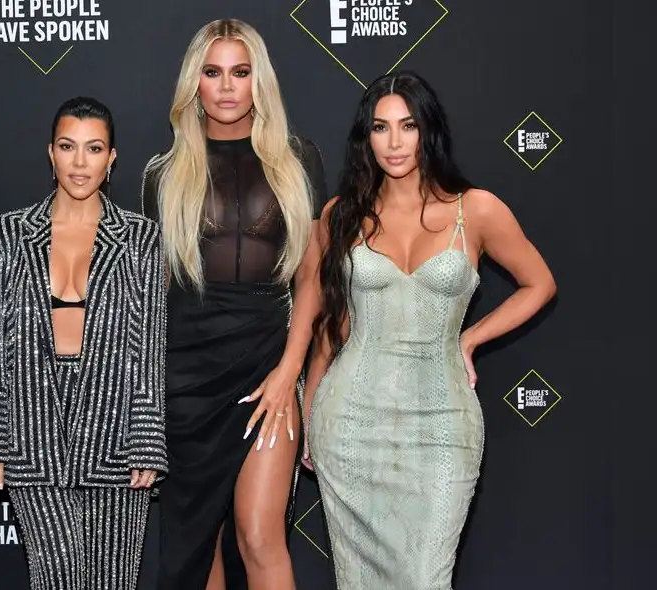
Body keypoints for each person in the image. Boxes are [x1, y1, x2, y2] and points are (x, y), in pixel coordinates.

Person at [304, 70, 557, 589]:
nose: (394, 142)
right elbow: (330, 325)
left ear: (429, 131)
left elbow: (540, 283)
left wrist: (470, 336)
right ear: (365, 137)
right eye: (380, 127)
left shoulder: (476, 209)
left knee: (425, 578)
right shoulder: (340, 216)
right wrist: (310, 412)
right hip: (350, 422)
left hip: (442, 426)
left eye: (408, 126)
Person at [141, 18, 327, 590]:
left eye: (240, 72)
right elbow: (151, 296)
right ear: (194, 83)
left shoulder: (299, 161)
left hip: (267, 365)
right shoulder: (163, 174)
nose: (226, 86)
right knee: (197, 544)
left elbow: (312, 280)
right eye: (213, 72)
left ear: (259, 81)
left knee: (259, 534)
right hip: (187, 379)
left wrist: (288, 373)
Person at [0, 96, 167, 590]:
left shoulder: (142, 238)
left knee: (111, 581)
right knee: (55, 573)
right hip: (33, 428)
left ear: (112, 158)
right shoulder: (9, 235)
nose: (80, 163)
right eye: (68, 147)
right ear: (50, 153)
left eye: (94, 148)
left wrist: (147, 435)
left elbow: (149, 348)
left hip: (116, 432)